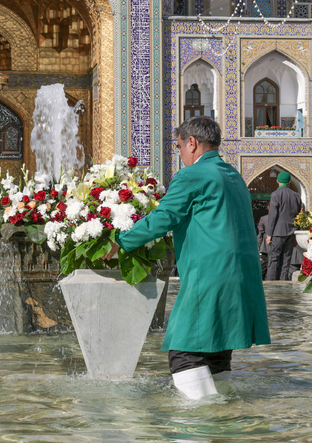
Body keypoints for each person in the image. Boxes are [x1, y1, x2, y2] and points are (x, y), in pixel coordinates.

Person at [106, 116, 270, 400]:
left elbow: (163, 218)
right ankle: (226, 420)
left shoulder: (192, 175)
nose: (180, 153)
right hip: (242, 276)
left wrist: (121, 241)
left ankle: (199, 423)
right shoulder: (234, 176)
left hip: (211, 274)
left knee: (183, 350)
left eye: (179, 146)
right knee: (216, 349)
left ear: (191, 143)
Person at [265, 172, 302, 281]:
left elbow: (272, 215)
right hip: (291, 232)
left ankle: (270, 285)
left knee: (273, 259)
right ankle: (283, 284)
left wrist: (269, 234)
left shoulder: (275, 194)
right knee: (286, 260)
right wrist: (296, 233)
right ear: (289, 182)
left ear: (277, 181)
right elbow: (299, 216)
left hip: (277, 232)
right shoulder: (296, 195)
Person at [256, 210, 269, 279]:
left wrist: (259, 245)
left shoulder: (264, 218)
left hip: (265, 247)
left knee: (263, 267)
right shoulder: (280, 218)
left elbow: (260, 233)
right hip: (275, 247)